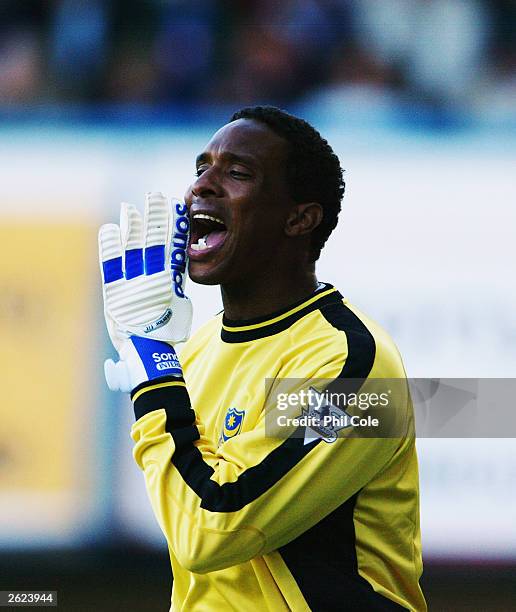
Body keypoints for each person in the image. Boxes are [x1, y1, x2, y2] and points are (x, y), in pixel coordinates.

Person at [99, 106, 426, 611]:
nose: (202, 186)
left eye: (237, 172)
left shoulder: (355, 367)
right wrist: (155, 360)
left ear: (300, 218)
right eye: (201, 168)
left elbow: (214, 529)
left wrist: (153, 374)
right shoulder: (198, 351)